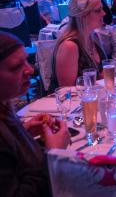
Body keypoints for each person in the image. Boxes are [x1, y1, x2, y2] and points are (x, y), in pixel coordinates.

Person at [0, 31, 70, 196]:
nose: (30, 70)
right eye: (16, 67)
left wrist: (23, 132)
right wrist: (53, 154)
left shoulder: (5, 108)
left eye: (26, 60)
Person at [49, 0, 107, 91]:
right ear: (83, 16)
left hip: (92, 98)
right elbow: (66, 91)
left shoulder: (93, 37)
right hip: (73, 103)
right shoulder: (69, 46)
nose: (104, 13)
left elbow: (100, 76)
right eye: (98, 10)